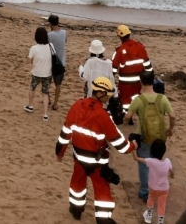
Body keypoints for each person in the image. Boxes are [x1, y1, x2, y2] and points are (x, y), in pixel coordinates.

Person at [56, 77, 138, 224]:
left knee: (77, 183)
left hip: (79, 157)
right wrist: (133, 145)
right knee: (102, 189)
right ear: (101, 93)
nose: (109, 98)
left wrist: (60, 152)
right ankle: (103, 218)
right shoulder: (103, 115)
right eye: (108, 95)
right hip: (97, 162)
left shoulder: (77, 105)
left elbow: (65, 132)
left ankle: (76, 210)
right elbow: (120, 144)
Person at [124, 70, 175, 201]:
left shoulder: (138, 100)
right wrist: (170, 129)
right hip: (160, 137)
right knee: (157, 162)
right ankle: (157, 187)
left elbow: (128, 116)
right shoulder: (162, 98)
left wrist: (126, 122)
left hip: (145, 136)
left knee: (144, 164)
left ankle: (145, 191)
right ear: (153, 81)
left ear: (141, 82)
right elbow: (172, 116)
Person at [132, 139, 174, 224]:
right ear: (164, 151)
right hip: (164, 188)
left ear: (152, 151)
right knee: (162, 204)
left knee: (151, 199)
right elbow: (172, 173)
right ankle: (160, 220)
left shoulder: (150, 161)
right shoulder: (167, 161)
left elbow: (136, 158)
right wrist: (171, 175)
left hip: (153, 187)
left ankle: (149, 215)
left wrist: (133, 148)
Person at [112, 25, 152, 111]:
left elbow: (113, 70)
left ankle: (127, 117)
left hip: (125, 83)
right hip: (139, 82)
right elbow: (148, 66)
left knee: (125, 102)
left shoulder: (119, 50)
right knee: (137, 98)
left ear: (119, 36)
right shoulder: (140, 47)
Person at [25, 26, 53, 121]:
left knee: (32, 88)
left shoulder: (34, 48)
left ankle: (30, 105)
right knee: (45, 93)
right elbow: (53, 57)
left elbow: (29, 61)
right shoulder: (51, 46)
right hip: (48, 73)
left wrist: (34, 61)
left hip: (37, 73)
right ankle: (45, 114)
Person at [47, 14, 67, 111]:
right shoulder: (64, 32)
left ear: (50, 23)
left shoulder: (49, 35)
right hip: (61, 62)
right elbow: (65, 42)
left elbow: (47, 47)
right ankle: (55, 103)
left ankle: (48, 99)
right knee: (58, 84)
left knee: (47, 82)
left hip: (51, 62)